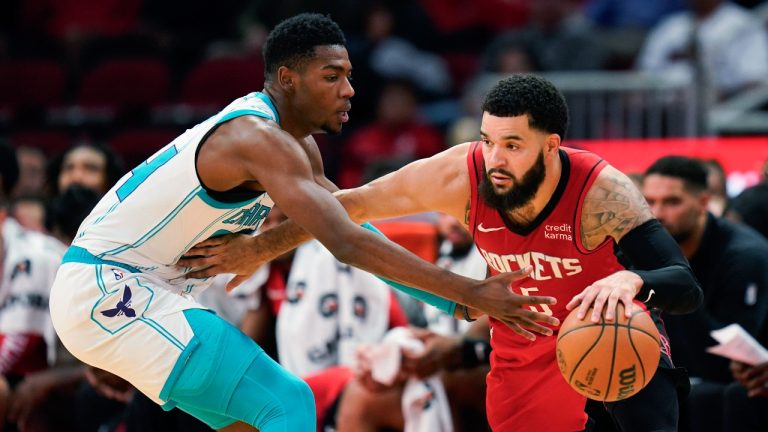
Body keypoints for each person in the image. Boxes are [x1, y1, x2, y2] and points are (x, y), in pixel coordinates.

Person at [49, 14, 555, 432]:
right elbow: (346, 243)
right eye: (332, 76)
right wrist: (469, 293)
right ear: (287, 80)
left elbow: (355, 222)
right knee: (289, 404)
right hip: (107, 286)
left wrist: (454, 301)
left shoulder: (298, 147)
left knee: (253, 421)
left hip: (142, 289)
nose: (349, 90)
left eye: (349, 76)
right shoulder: (256, 137)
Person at [182, 74, 703, 431]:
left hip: (610, 336)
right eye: (488, 140)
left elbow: (684, 286)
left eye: (513, 146)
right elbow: (344, 207)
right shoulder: (460, 175)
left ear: (551, 147)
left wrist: (633, 281)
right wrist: (258, 249)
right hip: (524, 344)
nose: (495, 158)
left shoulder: (601, 193)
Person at [641, 155, 768, 432]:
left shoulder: (745, 256)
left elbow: (732, 363)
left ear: (703, 203)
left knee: (713, 396)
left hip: (732, 388)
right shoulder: (639, 249)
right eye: (649, 201)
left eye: (672, 202)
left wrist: (675, 287)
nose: (657, 213)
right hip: (681, 373)